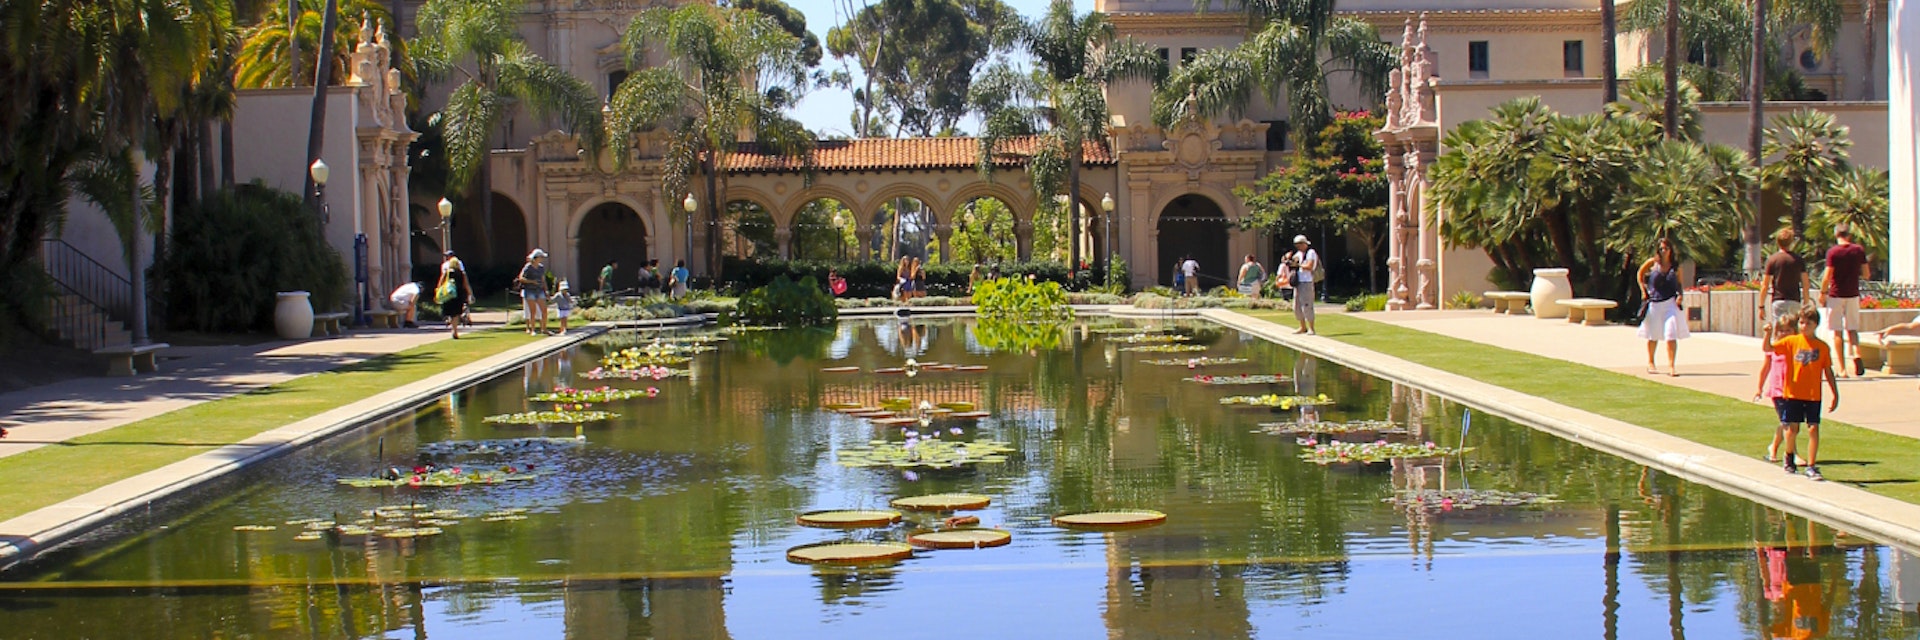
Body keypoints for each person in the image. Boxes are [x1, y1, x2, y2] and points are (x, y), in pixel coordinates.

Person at [1771, 308, 1840, 479]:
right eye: (1801, 323)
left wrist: (1835, 393)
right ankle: (1789, 456)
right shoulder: (1792, 341)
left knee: (1813, 428)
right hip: (1793, 393)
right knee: (1792, 428)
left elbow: (1828, 371)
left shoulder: (1822, 347)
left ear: (1816, 325)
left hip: (1813, 395)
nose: (1804, 326)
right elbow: (1770, 347)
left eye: (1808, 323)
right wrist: (1767, 334)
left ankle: (1811, 465)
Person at [1820, 225, 1870, 377]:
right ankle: (1856, 354)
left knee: (1837, 332)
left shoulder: (1833, 252)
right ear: (1849, 235)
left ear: (1836, 234)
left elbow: (1828, 275)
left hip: (1836, 295)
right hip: (1853, 294)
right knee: (1852, 329)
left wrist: (1823, 292)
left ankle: (1842, 369)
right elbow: (1867, 273)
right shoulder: (1858, 250)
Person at [1636, 237, 1690, 376]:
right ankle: (1651, 362)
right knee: (1653, 334)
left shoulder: (1676, 266)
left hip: (1670, 303)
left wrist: (1680, 295)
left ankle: (1672, 366)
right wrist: (1644, 290)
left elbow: (1679, 283)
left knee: (1671, 333)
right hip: (1654, 303)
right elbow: (1640, 274)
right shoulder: (1652, 263)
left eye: (1666, 248)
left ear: (1671, 250)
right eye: (1661, 249)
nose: (1664, 251)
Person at [1755, 314, 1796, 464]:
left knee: (1787, 421)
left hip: (1792, 389)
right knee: (1787, 422)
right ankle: (1792, 453)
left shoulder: (1795, 347)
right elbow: (1765, 368)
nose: (1785, 333)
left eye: (1788, 330)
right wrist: (1759, 387)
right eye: (1782, 330)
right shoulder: (1774, 348)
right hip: (1778, 390)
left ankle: (1773, 447)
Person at [1761, 228, 1810, 325]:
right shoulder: (1798, 260)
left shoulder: (1772, 260)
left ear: (1777, 242)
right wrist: (1806, 303)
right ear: (1791, 242)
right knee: (1794, 330)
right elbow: (1805, 284)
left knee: (1778, 330)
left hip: (1778, 300)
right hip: (1794, 300)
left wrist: (1761, 306)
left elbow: (1765, 285)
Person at [436, 251, 472, 339]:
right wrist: (470, 294)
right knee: (456, 313)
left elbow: (440, 282)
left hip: (448, 293)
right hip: (458, 294)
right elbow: (466, 284)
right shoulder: (461, 273)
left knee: (450, 312)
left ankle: (451, 325)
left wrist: (438, 291)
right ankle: (455, 330)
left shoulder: (447, 272)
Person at [1287, 235, 1319, 334]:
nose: (1298, 246)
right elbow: (1293, 263)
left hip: (1307, 281)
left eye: (1300, 244)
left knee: (1307, 304)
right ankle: (1302, 327)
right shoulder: (1298, 254)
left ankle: (1311, 328)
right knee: (1297, 305)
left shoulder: (1311, 253)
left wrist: (1299, 265)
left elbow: (1309, 266)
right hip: (1298, 281)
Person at [516, 249, 551, 335]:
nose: (542, 259)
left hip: (539, 290)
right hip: (530, 290)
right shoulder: (528, 267)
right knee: (533, 311)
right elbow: (521, 278)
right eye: (541, 257)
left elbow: (543, 280)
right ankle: (532, 330)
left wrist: (546, 290)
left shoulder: (541, 267)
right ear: (536, 258)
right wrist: (532, 281)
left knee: (544, 310)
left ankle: (544, 329)